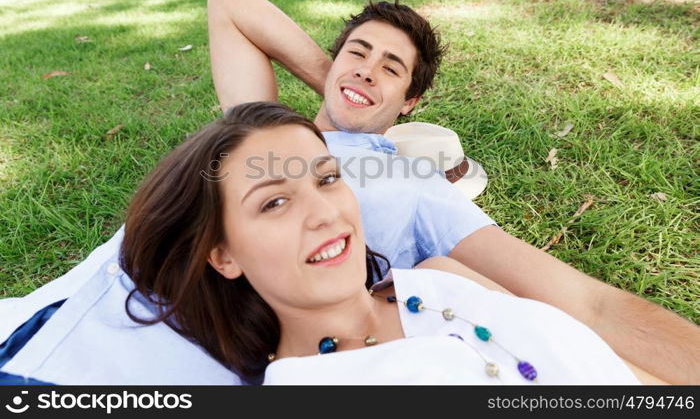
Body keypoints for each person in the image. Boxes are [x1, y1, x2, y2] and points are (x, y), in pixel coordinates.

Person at [206, 0, 700, 384]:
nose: (367, 70)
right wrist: (344, 86)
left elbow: (590, 307)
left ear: (410, 104)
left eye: (391, 68)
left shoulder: (412, 181)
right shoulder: (266, 136)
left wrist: (365, 99)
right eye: (357, 52)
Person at [120, 101, 640, 384]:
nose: (326, 213)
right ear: (224, 255)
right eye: (274, 203)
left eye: (327, 179)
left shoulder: (438, 279)